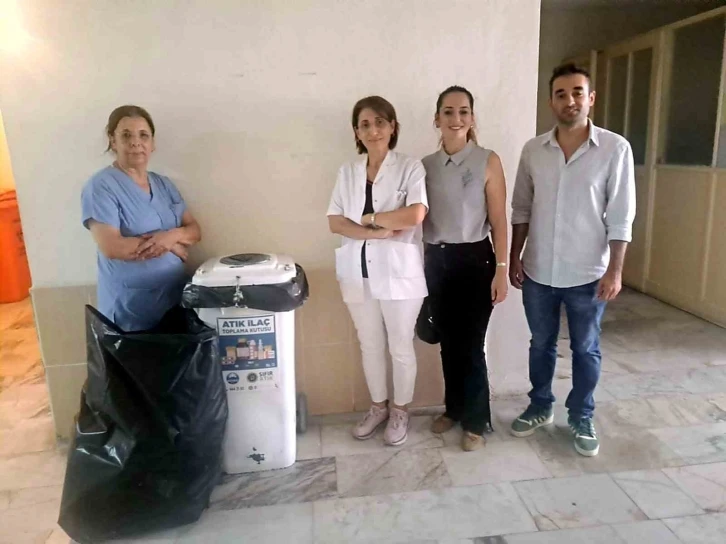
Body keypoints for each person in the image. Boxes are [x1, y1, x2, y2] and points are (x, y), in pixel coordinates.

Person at [509, 64, 636, 457]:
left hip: (588, 273)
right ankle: (540, 406)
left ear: (590, 98)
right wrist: (514, 256)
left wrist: (615, 270)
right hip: (538, 270)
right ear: (551, 101)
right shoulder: (533, 151)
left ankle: (581, 415)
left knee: (585, 348)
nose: (570, 101)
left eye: (578, 92)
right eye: (561, 94)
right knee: (541, 344)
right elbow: (521, 208)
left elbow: (621, 216)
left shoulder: (615, 149)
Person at [327, 96, 428, 446]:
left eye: (380, 122)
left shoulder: (410, 167)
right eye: (365, 124)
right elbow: (335, 221)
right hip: (357, 272)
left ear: (393, 127)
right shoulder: (347, 171)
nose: (373, 130)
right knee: (369, 344)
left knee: (400, 345)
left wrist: (369, 219)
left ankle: (400, 410)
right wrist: (380, 230)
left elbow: (415, 214)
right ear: (356, 131)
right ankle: (378, 407)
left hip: (399, 273)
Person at [422, 86, 509, 452]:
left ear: (472, 118)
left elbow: (499, 220)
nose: (455, 118)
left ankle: (477, 421)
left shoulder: (487, 160)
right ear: (437, 119)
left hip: (475, 260)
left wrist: (501, 269)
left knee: (471, 345)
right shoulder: (424, 166)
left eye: (463, 111)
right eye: (448, 111)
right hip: (436, 262)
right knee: (447, 343)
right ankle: (454, 408)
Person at [81, 105, 201, 332]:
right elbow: (112, 247)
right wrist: (171, 246)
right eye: (126, 135)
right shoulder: (101, 187)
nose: (136, 142)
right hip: (131, 311)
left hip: (174, 305)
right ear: (113, 141)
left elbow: (194, 231)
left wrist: (172, 237)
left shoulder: (164, 184)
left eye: (143, 135)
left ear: (152, 144)